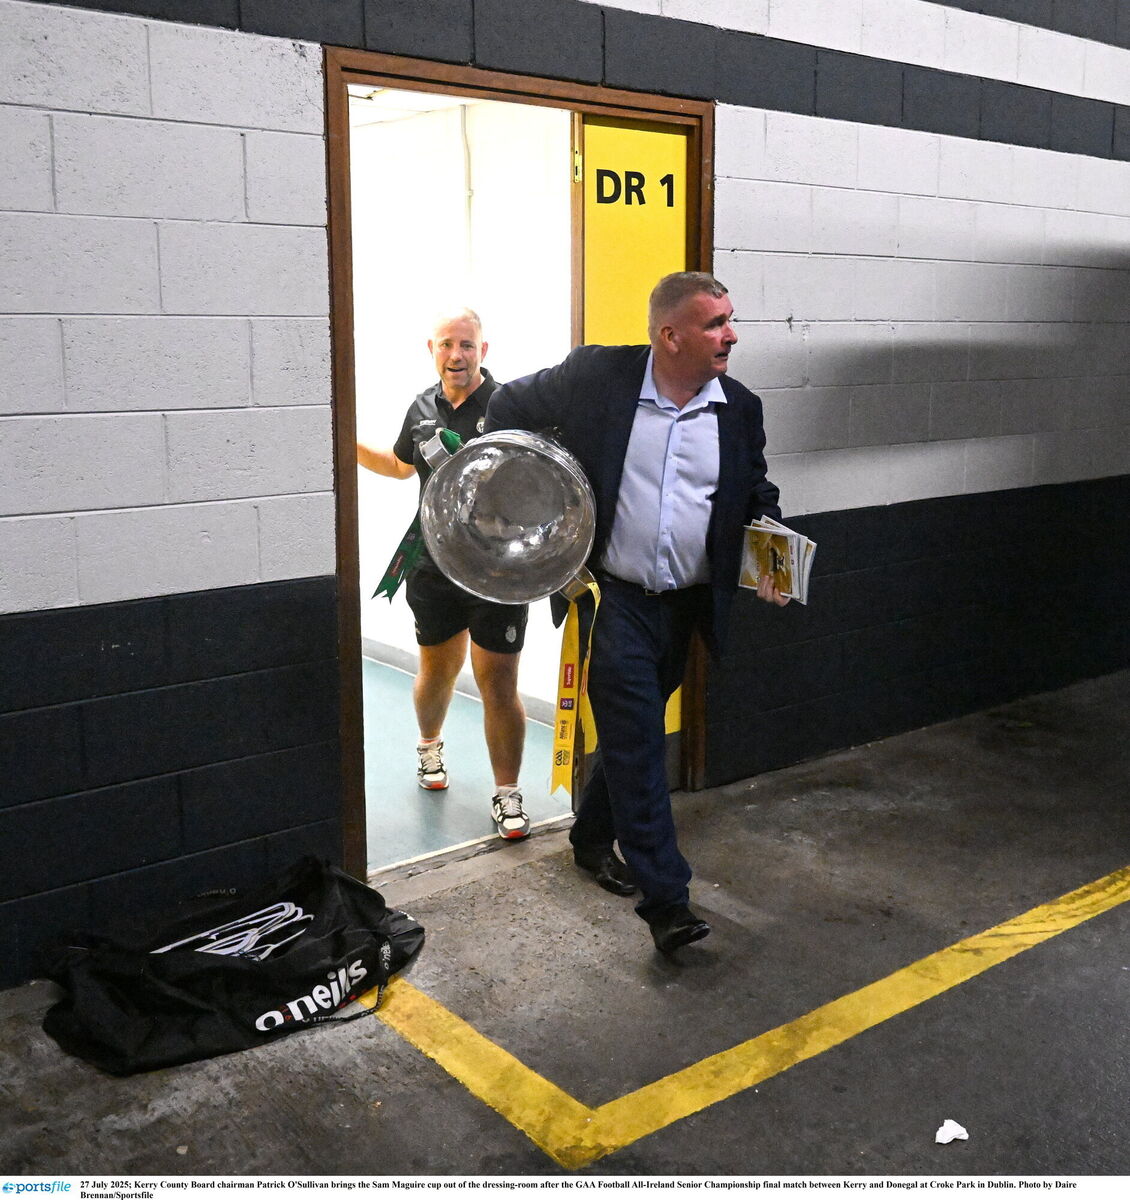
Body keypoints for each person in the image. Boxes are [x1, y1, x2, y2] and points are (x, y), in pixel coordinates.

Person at [486, 272, 789, 951]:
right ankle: (667, 900)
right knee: (641, 740)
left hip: (684, 606)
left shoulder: (739, 409)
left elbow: (754, 491)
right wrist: (530, 493)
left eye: (730, 320)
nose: (732, 335)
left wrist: (771, 550)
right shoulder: (598, 376)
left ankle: (592, 838)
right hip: (611, 599)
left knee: (635, 731)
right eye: (715, 324)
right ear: (670, 336)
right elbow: (507, 404)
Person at [357, 309, 531, 841]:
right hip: (432, 566)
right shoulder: (421, 408)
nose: (457, 355)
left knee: (498, 681)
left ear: (484, 351)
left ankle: (507, 793)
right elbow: (401, 465)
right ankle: (429, 747)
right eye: (447, 345)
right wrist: (344, 442)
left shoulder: (508, 406)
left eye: (467, 345)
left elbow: (533, 479)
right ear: (431, 349)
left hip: (497, 572)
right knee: (437, 671)